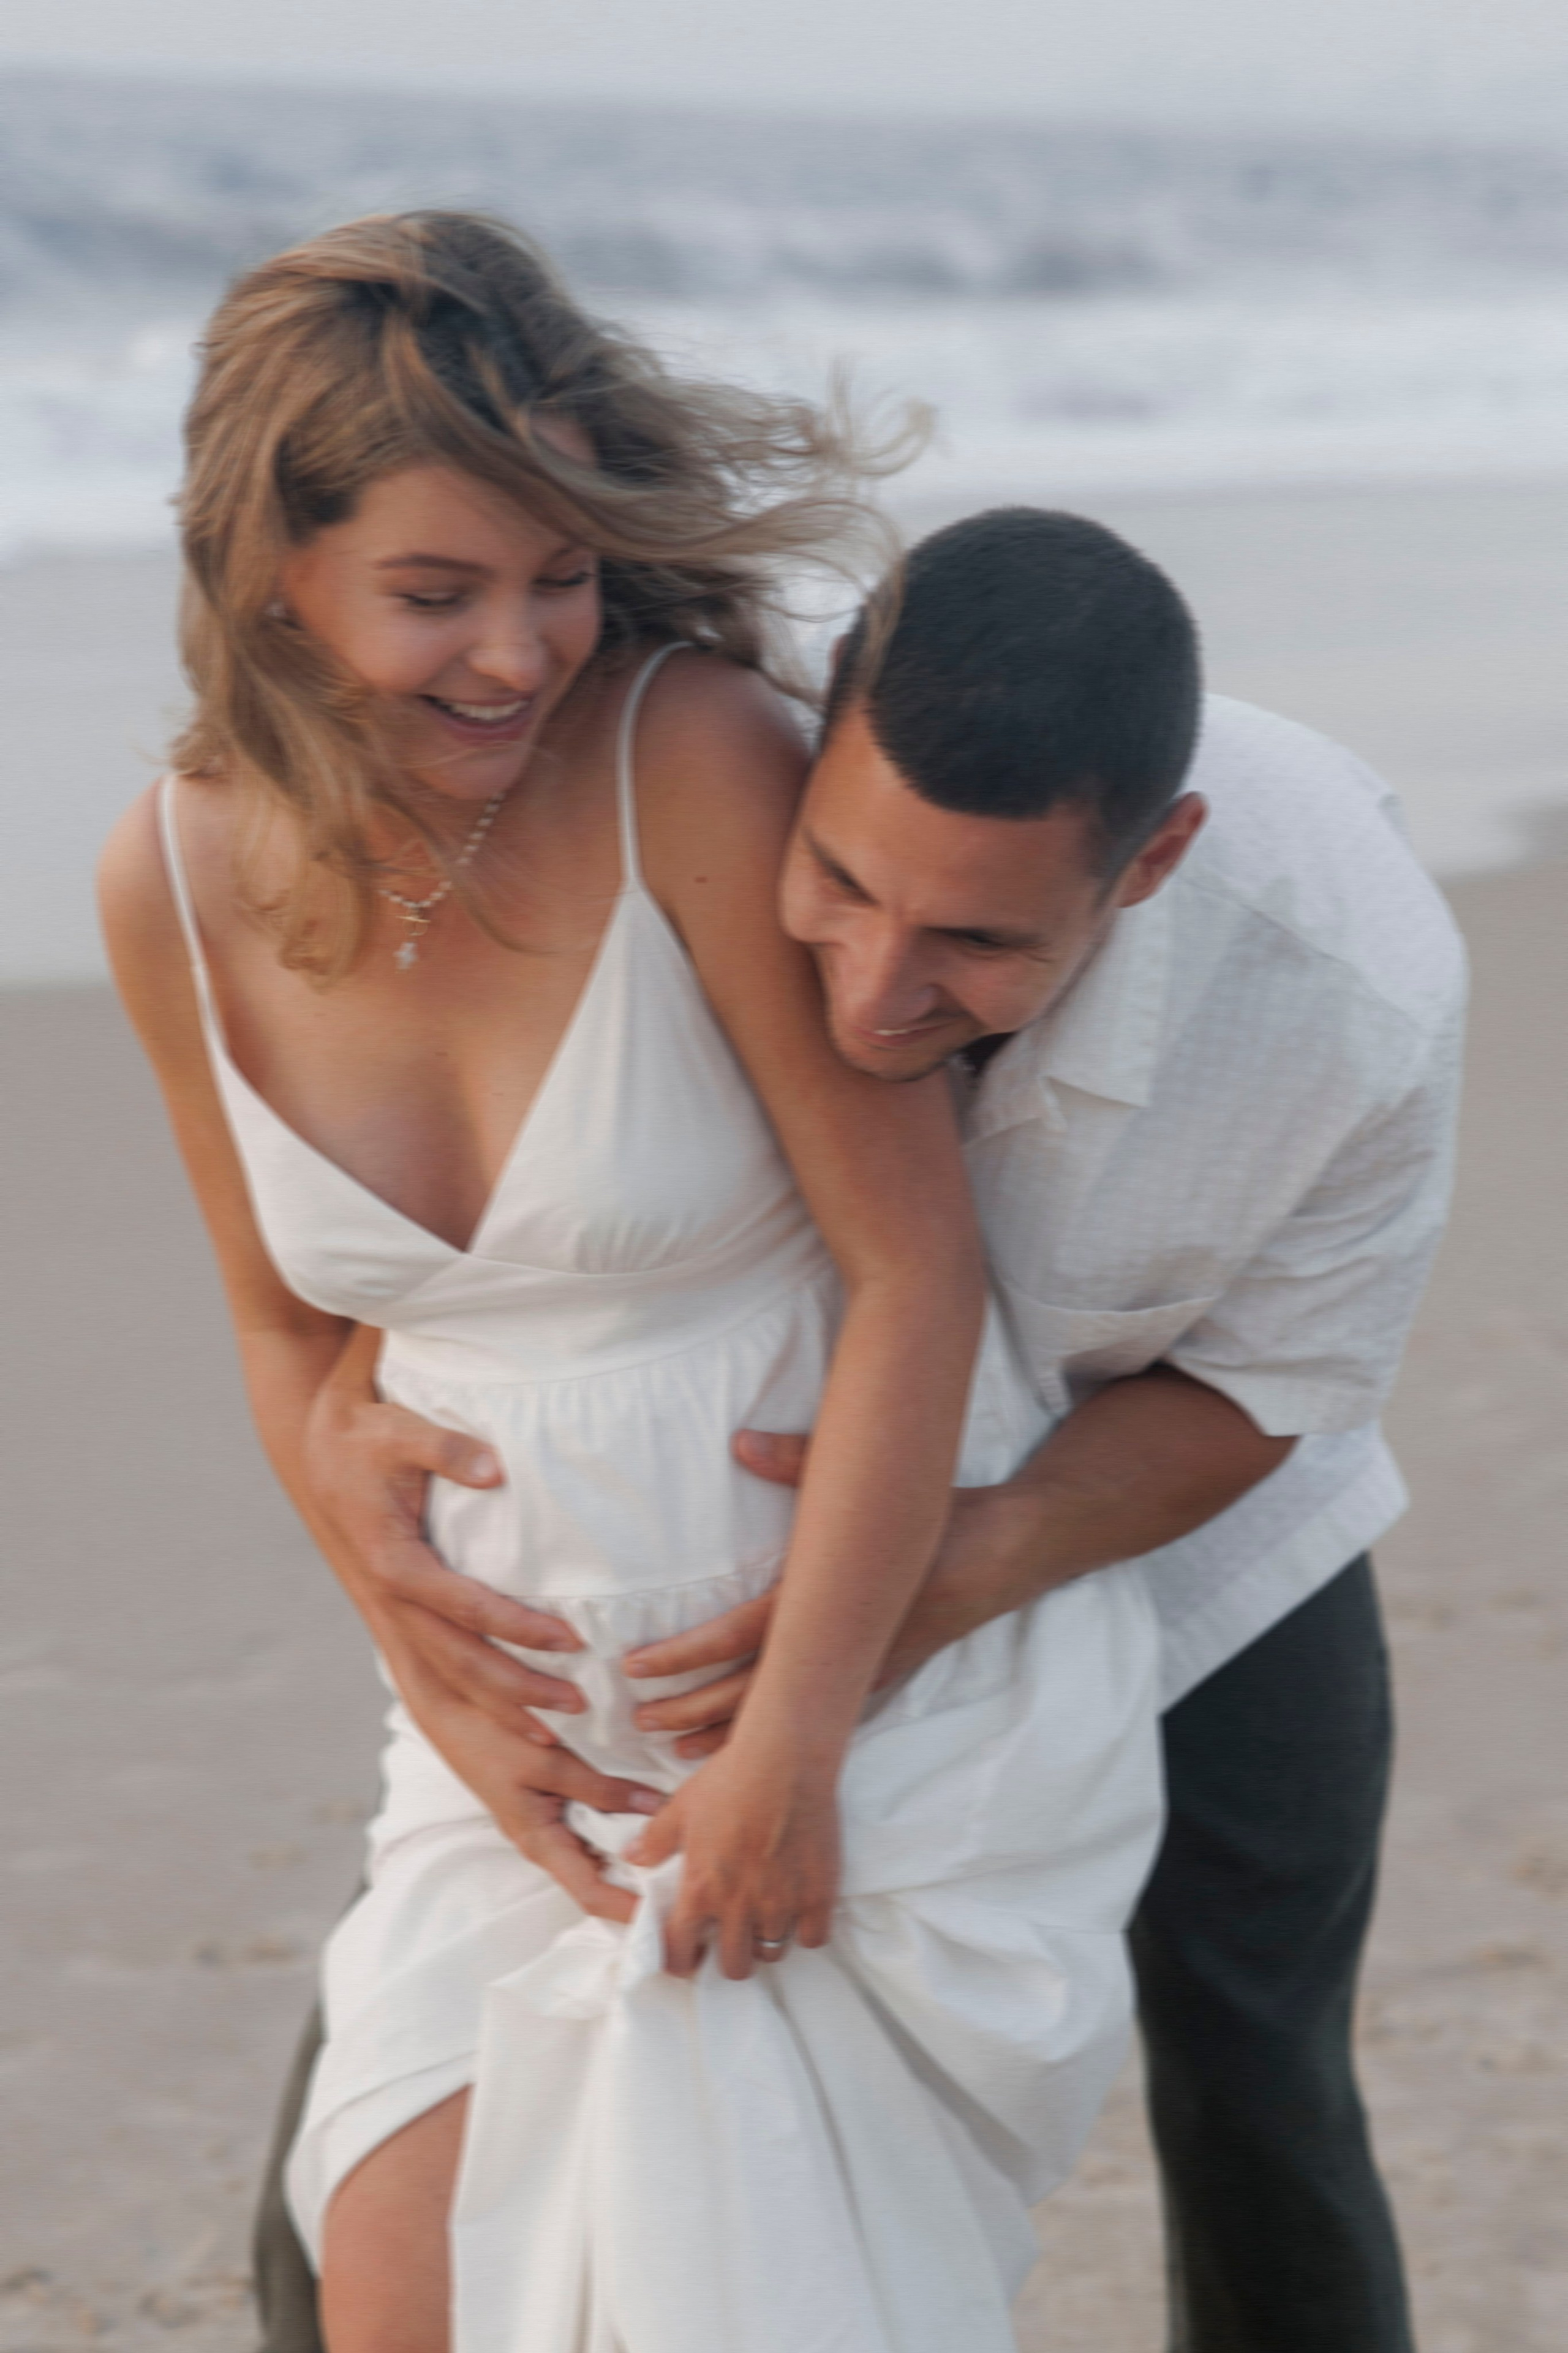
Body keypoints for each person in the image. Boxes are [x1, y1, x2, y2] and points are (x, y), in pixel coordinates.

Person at [99, 214, 1172, 2353]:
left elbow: (909, 1265)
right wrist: (415, 1660)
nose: (518, 652)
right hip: (511, 1755)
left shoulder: (686, 751)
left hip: (846, 1708)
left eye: (560, 573)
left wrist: (790, 1753)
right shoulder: (170, 873)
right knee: (402, 2284)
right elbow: (287, 1333)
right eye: (438, 592)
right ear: (271, 572)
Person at [277, 509, 1466, 2351]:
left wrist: (929, 1575)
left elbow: (1271, 1392)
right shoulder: (709, 746)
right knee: (395, 2059)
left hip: (1164, 1519)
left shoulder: (1356, 990)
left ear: (1154, 862)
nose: (872, 990)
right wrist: (354, 1379)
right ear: (807, 741)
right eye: (836, 884)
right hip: (705, 1523)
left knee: (1262, 2073)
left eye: (980, 944)